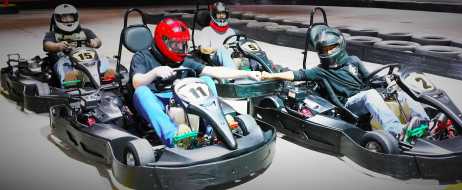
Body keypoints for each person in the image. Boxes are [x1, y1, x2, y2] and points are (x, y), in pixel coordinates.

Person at [261, 27, 430, 141]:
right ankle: (398, 131)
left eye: (330, 48)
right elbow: (298, 74)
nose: (327, 53)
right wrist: (271, 75)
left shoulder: (353, 61)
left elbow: (369, 80)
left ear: (339, 46)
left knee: (400, 90)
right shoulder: (320, 70)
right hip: (349, 104)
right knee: (369, 96)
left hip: (365, 93)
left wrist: (387, 82)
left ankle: (424, 122)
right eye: (323, 50)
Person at [130, 18, 261, 147]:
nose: (180, 48)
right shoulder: (142, 57)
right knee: (141, 92)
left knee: (206, 80)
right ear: (162, 41)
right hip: (157, 100)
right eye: (176, 44)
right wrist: (154, 72)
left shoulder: (183, 60)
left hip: (183, 98)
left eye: (183, 44)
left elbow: (214, 71)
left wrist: (246, 73)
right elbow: (137, 82)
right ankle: (175, 138)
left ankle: (214, 129)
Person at [43, 4, 114, 88]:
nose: (68, 20)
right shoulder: (52, 34)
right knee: (63, 63)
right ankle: (70, 81)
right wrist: (57, 46)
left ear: (75, 17)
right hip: (66, 59)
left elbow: (98, 41)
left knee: (102, 58)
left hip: (87, 59)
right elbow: (47, 44)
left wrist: (95, 42)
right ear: (57, 19)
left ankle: (105, 76)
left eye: (70, 17)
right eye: (64, 18)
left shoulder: (85, 31)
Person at [194, 1, 237, 68]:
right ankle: (234, 74)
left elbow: (235, 46)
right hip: (214, 60)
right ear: (214, 15)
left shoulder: (231, 31)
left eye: (223, 13)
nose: (221, 16)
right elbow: (203, 49)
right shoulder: (206, 30)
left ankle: (257, 70)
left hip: (232, 58)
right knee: (222, 51)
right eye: (219, 14)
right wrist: (219, 48)